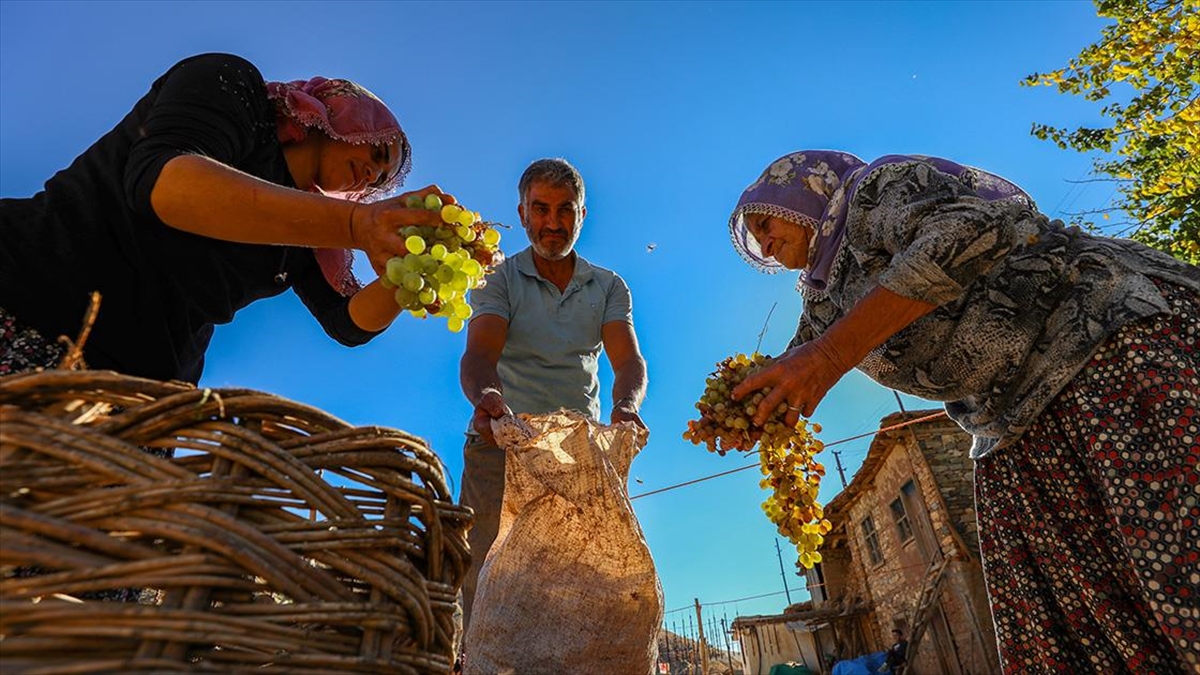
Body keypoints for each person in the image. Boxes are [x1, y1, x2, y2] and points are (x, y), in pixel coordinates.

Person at [726, 151, 1199, 674]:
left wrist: (831, 356)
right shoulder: (822, 302)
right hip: (1010, 419)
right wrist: (750, 407)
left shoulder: (874, 194)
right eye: (755, 237)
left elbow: (967, 231)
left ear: (801, 198)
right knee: (1060, 612)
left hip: (1099, 343)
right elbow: (797, 366)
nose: (764, 243)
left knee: (1173, 550)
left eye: (765, 223)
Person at [0, 52, 453, 382]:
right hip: (29, 302)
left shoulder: (312, 230)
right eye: (376, 149)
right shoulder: (235, 89)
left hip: (136, 393)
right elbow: (162, 184)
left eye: (381, 180)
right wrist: (358, 225)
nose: (373, 173)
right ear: (342, 111)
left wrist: (403, 276)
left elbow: (345, 323)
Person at [457, 157, 649, 635]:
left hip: (574, 454)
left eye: (566, 211)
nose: (552, 223)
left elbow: (628, 363)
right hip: (500, 444)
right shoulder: (498, 280)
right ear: (522, 214)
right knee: (486, 574)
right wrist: (488, 399)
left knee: (577, 585)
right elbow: (479, 354)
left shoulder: (607, 286)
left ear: (582, 215)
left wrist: (626, 408)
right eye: (540, 209)